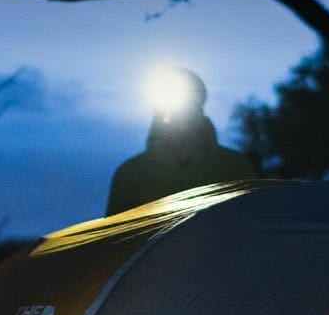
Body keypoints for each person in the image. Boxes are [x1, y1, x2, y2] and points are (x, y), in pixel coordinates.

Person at [104, 67, 258, 216]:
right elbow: (114, 238)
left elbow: (258, 223)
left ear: (199, 110)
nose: (178, 115)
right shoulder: (131, 175)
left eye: (187, 104)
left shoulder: (234, 168)